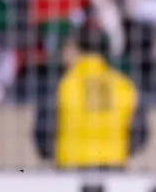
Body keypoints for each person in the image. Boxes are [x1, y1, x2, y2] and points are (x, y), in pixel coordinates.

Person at [33, 28, 148, 170]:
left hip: (70, 165)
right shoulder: (125, 87)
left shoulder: (61, 86)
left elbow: (43, 133)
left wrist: (55, 154)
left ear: (75, 49)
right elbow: (139, 134)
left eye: (67, 47)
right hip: (113, 165)